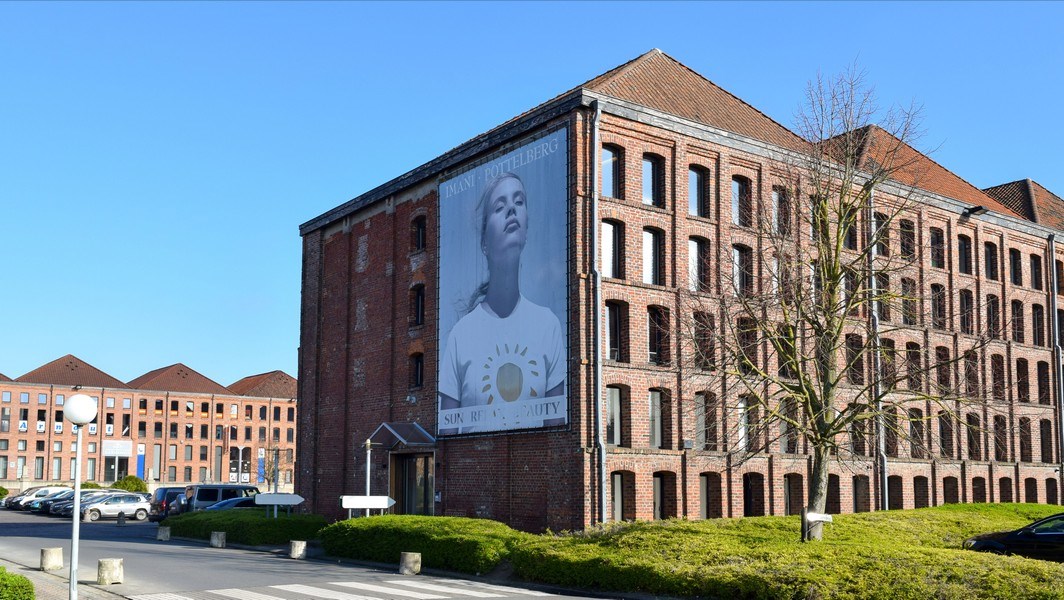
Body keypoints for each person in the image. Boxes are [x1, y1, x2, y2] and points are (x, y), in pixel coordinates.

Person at [438, 172, 565, 434]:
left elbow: (556, 430)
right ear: (484, 242)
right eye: (499, 206)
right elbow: (447, 437)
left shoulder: (548, 325)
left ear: (526, 230)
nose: (511, 209)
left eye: (518, 202)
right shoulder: (461, 335)